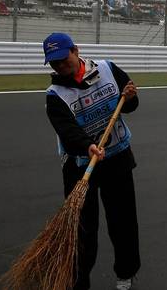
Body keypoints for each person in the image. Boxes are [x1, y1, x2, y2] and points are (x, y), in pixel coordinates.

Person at [43, 32, 141, 290]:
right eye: (54, 64)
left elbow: (129, 103)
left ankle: (126, 273)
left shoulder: (108, 69)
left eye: (64, 60)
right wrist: (87, 146)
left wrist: (130, 97)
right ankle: (79, 282)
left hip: (117, 156)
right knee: (82, 231)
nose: (61, 67)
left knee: (123, 222)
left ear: (75, 50)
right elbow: (66, 130)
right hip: (80, 165)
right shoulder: (55, 95)